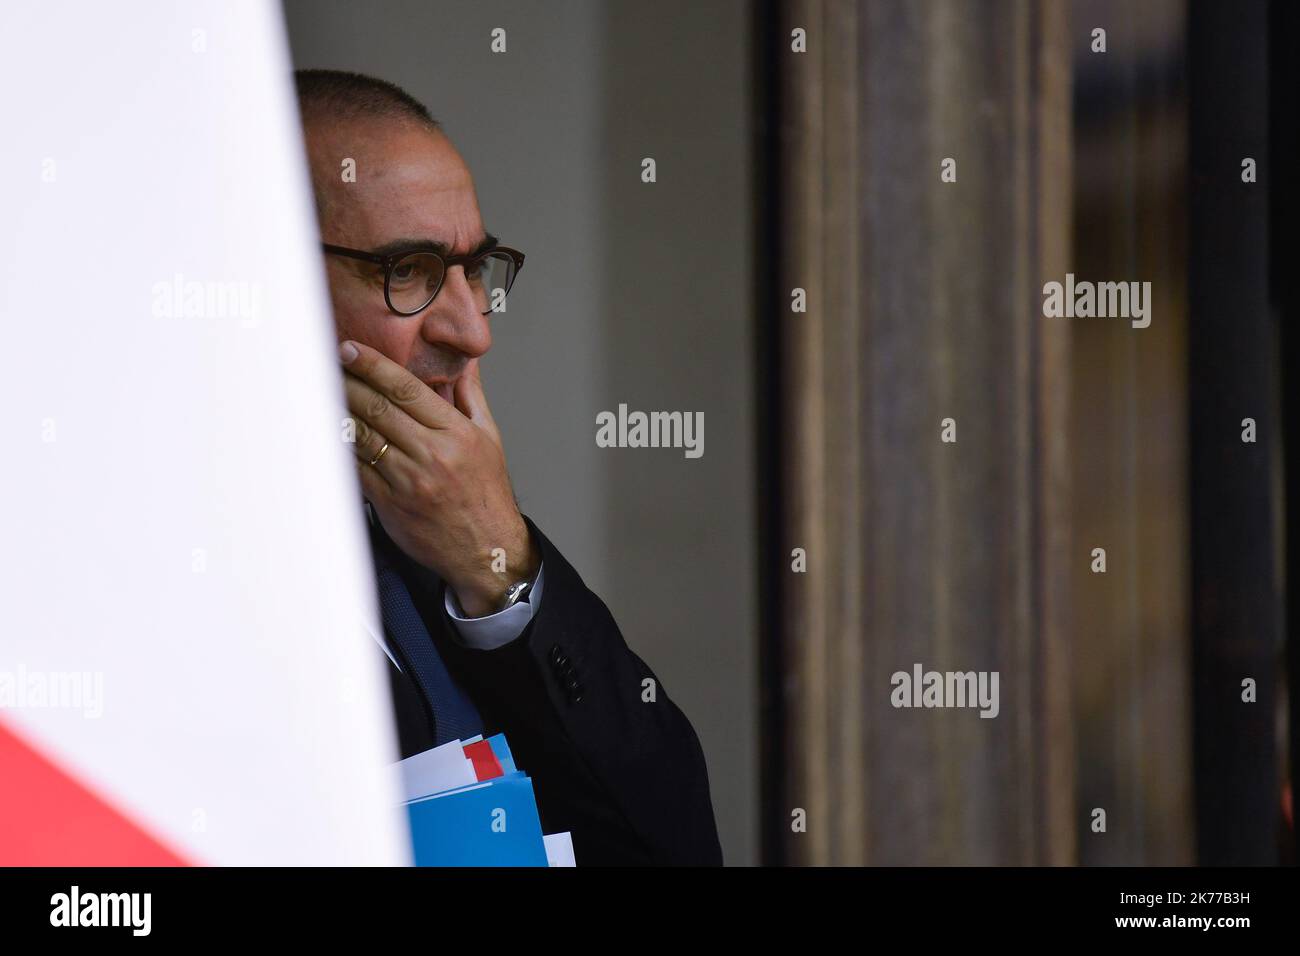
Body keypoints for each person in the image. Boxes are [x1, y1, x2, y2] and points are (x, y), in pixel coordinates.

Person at [294, 69, 722, 865]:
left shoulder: (438, 523)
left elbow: (672, 842)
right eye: (410, 271)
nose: (471, 330)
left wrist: (501, 571)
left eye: (475, 270)